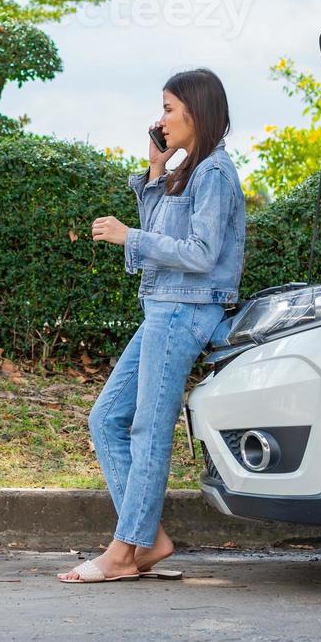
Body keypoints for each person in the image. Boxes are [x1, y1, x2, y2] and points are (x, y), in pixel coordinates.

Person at [60, 68, 247, 583]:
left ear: (196, 112)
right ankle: (148, 539)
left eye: (168, 108)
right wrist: (154, 174)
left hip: (185, 312)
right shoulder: (191, 171)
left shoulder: (214, 174)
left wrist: (129, 237)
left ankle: (124, 551)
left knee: (147, 430)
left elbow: (202, 254)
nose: (161, 119)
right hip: (165, 309)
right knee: (107, 419)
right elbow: (167, 231)